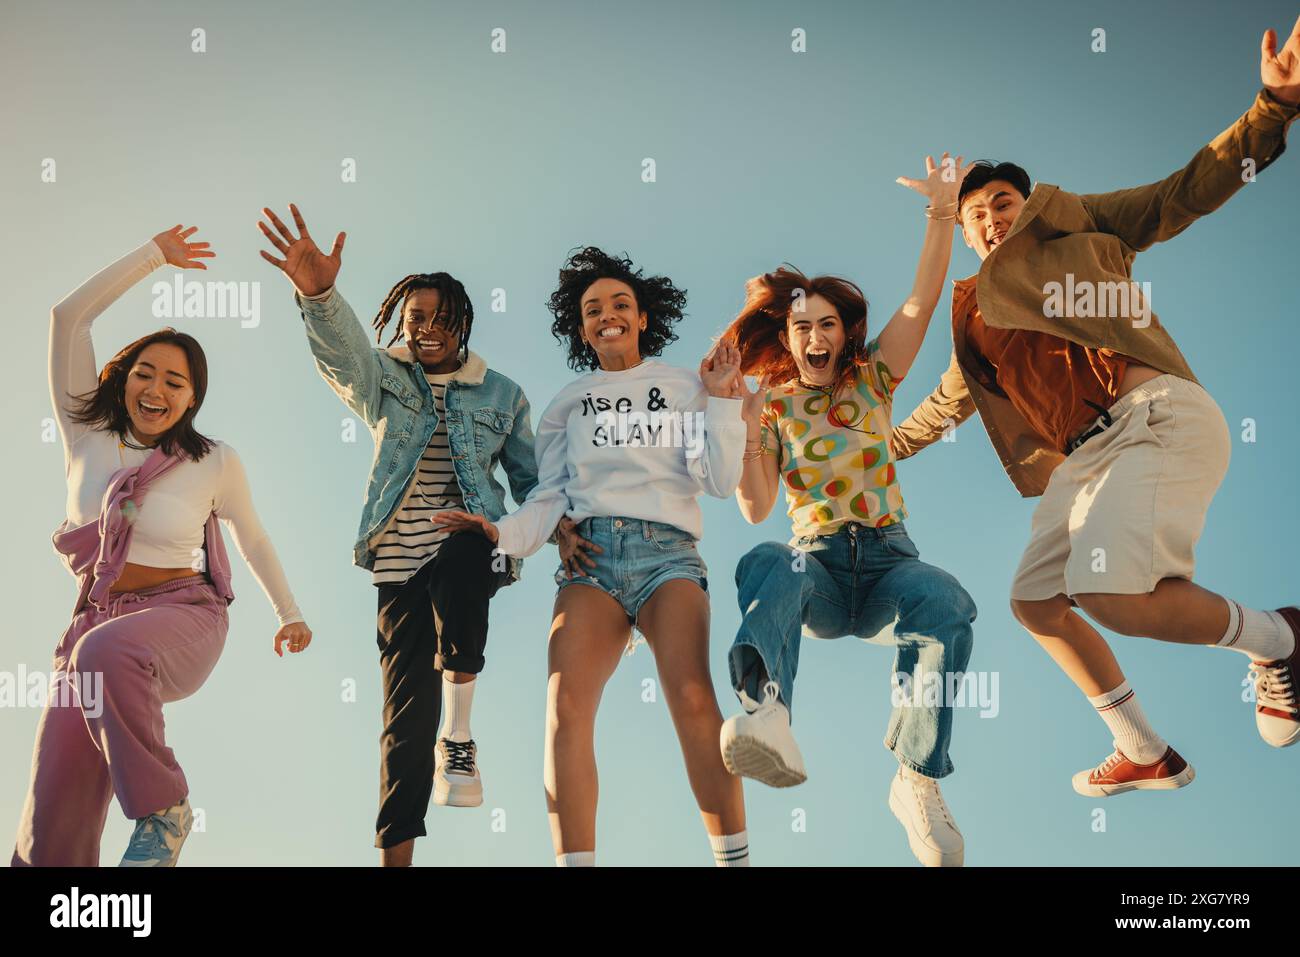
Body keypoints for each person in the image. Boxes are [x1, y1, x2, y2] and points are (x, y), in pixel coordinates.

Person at [891, 17, 1300, 797]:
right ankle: (1143, 747)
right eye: (975, 213)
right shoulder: (974, 314)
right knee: (1036, 601)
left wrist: (1273, 106)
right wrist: (849, 444)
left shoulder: (1078, 223)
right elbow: (936, 412)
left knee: (1109, 590)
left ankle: (1280, 637)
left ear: (1030, 201)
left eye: (1003, 200)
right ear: (966, 231)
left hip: (1156, 419)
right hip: (1085, 461)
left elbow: (1188, 189)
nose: (990, 216)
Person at [434, 247, 750, 866]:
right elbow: (550, 497)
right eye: (593, 309)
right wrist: (501, 532)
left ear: (642, 318)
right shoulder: (568, 403)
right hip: (592, 563)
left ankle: (734, 858)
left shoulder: (685, 384)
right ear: (581, 328)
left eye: (620, 305)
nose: (608, 315)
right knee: (565, 706)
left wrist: (719, 400)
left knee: (690, 694)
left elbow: (717, 479)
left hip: (669, 556)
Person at [13, 225, 311, 868]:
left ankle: (163, 809)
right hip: (94, 629)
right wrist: (152, 257)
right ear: (122, 378)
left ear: (193, 399)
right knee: (48, 823)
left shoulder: (211, 461)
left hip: (182, 618)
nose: (156, 389)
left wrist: (289, 612)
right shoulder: (85, 434)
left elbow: (250, 536)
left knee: (106, 651)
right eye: (145, 373)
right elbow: (67, 316)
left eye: (175, 382)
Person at [716, 155, 978, 867]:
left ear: (844, 332)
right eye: (802, 326)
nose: (813, 335)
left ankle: (917, 777)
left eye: (826, 323)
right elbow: (756, 506)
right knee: (768, 556)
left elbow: (923, 301)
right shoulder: (771, 405)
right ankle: (768, 710)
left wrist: (942, 211)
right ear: (789, 338)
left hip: (892, 564)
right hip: (821, 571)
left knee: (948, 601)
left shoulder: (872, 377)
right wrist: (742, 436)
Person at [258, 205, 537, 867]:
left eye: (442, 319)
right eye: (417, 319)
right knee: (404, 718)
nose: (430, 330)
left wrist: (547, 531)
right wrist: (319, 293)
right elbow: (346, 356)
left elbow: (535, 482)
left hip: (476, 543)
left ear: (463, 322)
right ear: (403, 322)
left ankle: (460, 736)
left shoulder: (501, 393)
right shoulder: (386, 378)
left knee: (466, 555)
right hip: (397, 563)